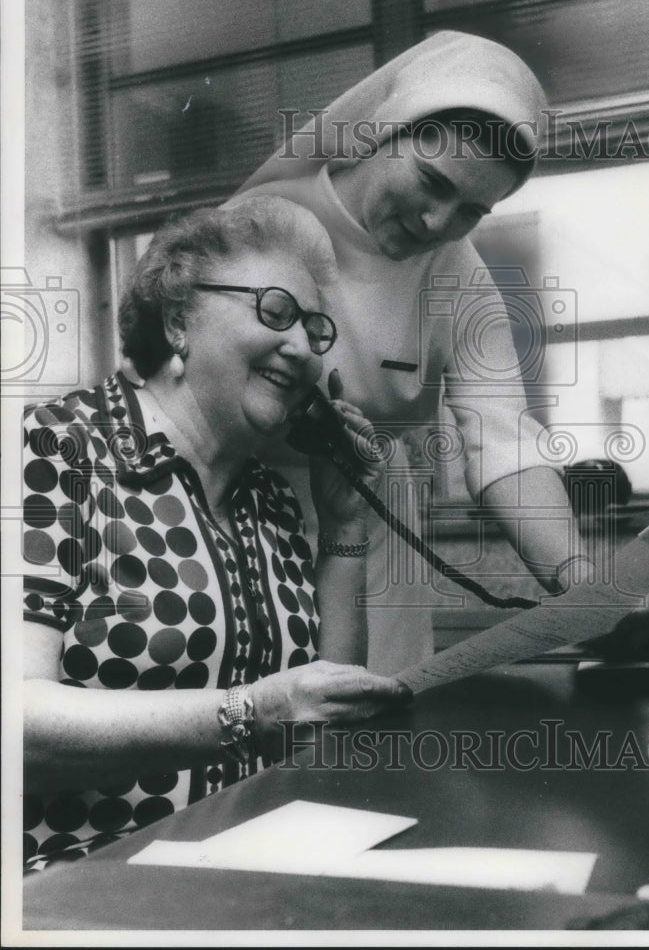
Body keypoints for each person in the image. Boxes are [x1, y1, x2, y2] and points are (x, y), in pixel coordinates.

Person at [22, 197, 410, 871]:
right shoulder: (49, 451)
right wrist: (246, 712)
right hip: (80, 881)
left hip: (248, 871)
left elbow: (313, 730)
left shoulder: (268, 500)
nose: (303, 348)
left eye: (314, 330)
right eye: (276, 313)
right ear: (178, 321)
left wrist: (344, 526)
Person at [227, 30, 628, 675]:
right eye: (431, 182)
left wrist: (582, 583)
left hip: (379, 558)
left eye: (473, 209)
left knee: (369, 746)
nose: (438, 223)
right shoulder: (254, 230)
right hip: (238, 544)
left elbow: (502, 442)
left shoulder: (459, 276)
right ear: (386, 131)